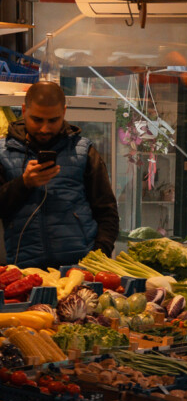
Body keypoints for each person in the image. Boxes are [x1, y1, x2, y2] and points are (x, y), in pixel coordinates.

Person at [0, 81, 118, 267]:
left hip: (82, 268)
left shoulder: (84, 151)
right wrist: (24, 184)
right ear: (24, 111)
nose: (45, 129)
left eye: (53, 120)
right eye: (37, 119)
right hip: (25, 271)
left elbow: (107, 211)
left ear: (63, 112)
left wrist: (99, 256)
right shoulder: (3, 153)